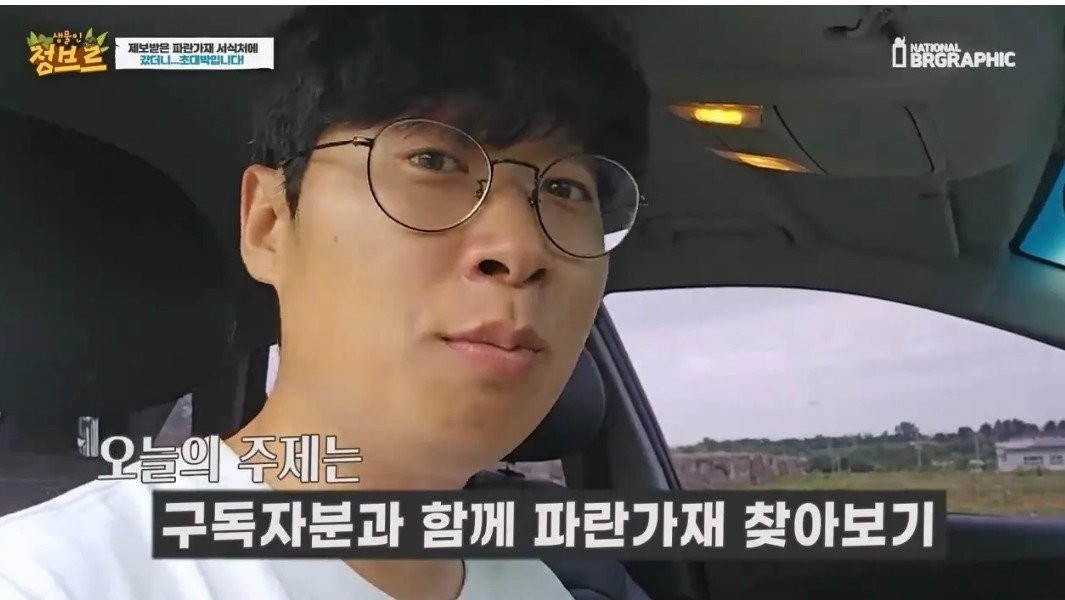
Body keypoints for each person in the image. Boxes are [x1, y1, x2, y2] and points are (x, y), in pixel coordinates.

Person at [0, 5, 649, 599]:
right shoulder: (51, 580)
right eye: (433, 160)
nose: (523, 247)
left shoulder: (542, 586)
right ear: (269, 225)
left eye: (566, 190)